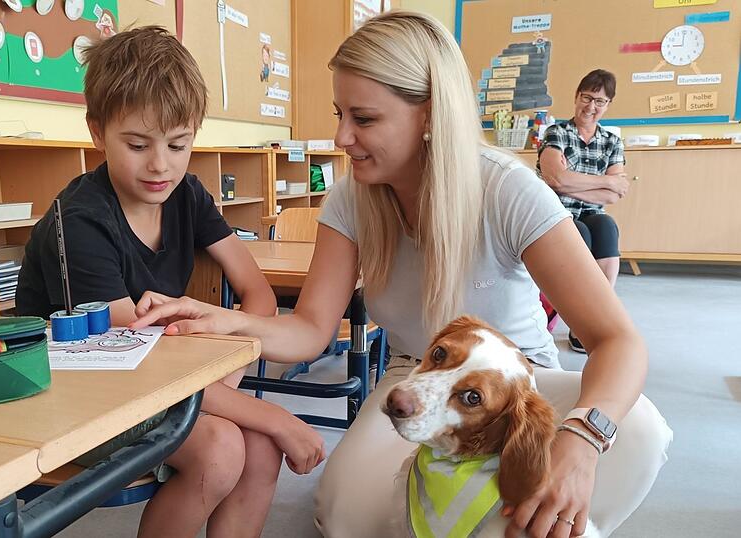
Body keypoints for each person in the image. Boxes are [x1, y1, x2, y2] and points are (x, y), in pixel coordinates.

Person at [131, 12, 671, 538]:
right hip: (415, 374)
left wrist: (580, 441)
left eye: (363, 119)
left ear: (430, 114)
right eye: (339, 112)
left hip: (516, 384)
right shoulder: (350, 199)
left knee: (639, 427)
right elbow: (311, 329)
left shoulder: (507, 190)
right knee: (342, 515)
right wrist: (223, 320)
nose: (341, 136)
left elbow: (619, 341)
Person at [14, 26, 325, 538]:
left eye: (179, 144)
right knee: (224, 450)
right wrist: (277, 418)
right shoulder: (80, 219)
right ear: (98, 132)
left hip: (163, 383)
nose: (161, 165)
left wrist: (225, 380)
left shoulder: (188, 195)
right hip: (79, 396)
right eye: (138, 144)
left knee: (260, 448)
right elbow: (136, 361)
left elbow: (258, 293)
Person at [537, 69, 628, 353]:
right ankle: (575, 314)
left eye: (599, 101)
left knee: (606, 227)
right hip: (557, 211)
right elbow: (555, 179)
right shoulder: (557, 133)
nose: (591, 107)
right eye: (586, 98)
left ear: (608, 104)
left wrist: (570, 182)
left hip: (591, 211)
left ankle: (593, 319)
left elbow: (616, 193)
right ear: (576, 97)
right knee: (580, 234)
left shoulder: (611, 141)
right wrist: (606, 181)